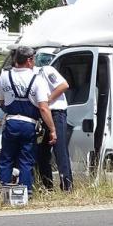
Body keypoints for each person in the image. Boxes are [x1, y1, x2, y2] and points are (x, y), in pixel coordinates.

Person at [0, 46, 55, 195]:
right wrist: (52, 129)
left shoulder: (4, 76)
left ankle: (4, 190)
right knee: (26, 160)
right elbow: (43, 108)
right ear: (29, 60)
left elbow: (1, 101)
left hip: (10, 122)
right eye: (33, 59)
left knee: (6, 158)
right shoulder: (37, 80)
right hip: (29, 124)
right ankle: (25, 192)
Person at [34, 58, 72, 191]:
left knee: (60, 150)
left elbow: (63, 85)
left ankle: (67, 186)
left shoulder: (46, 70)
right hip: (42, 113)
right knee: (42, 152)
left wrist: (48, 99)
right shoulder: (30, 75)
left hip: (55, 112)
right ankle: (47, 186)